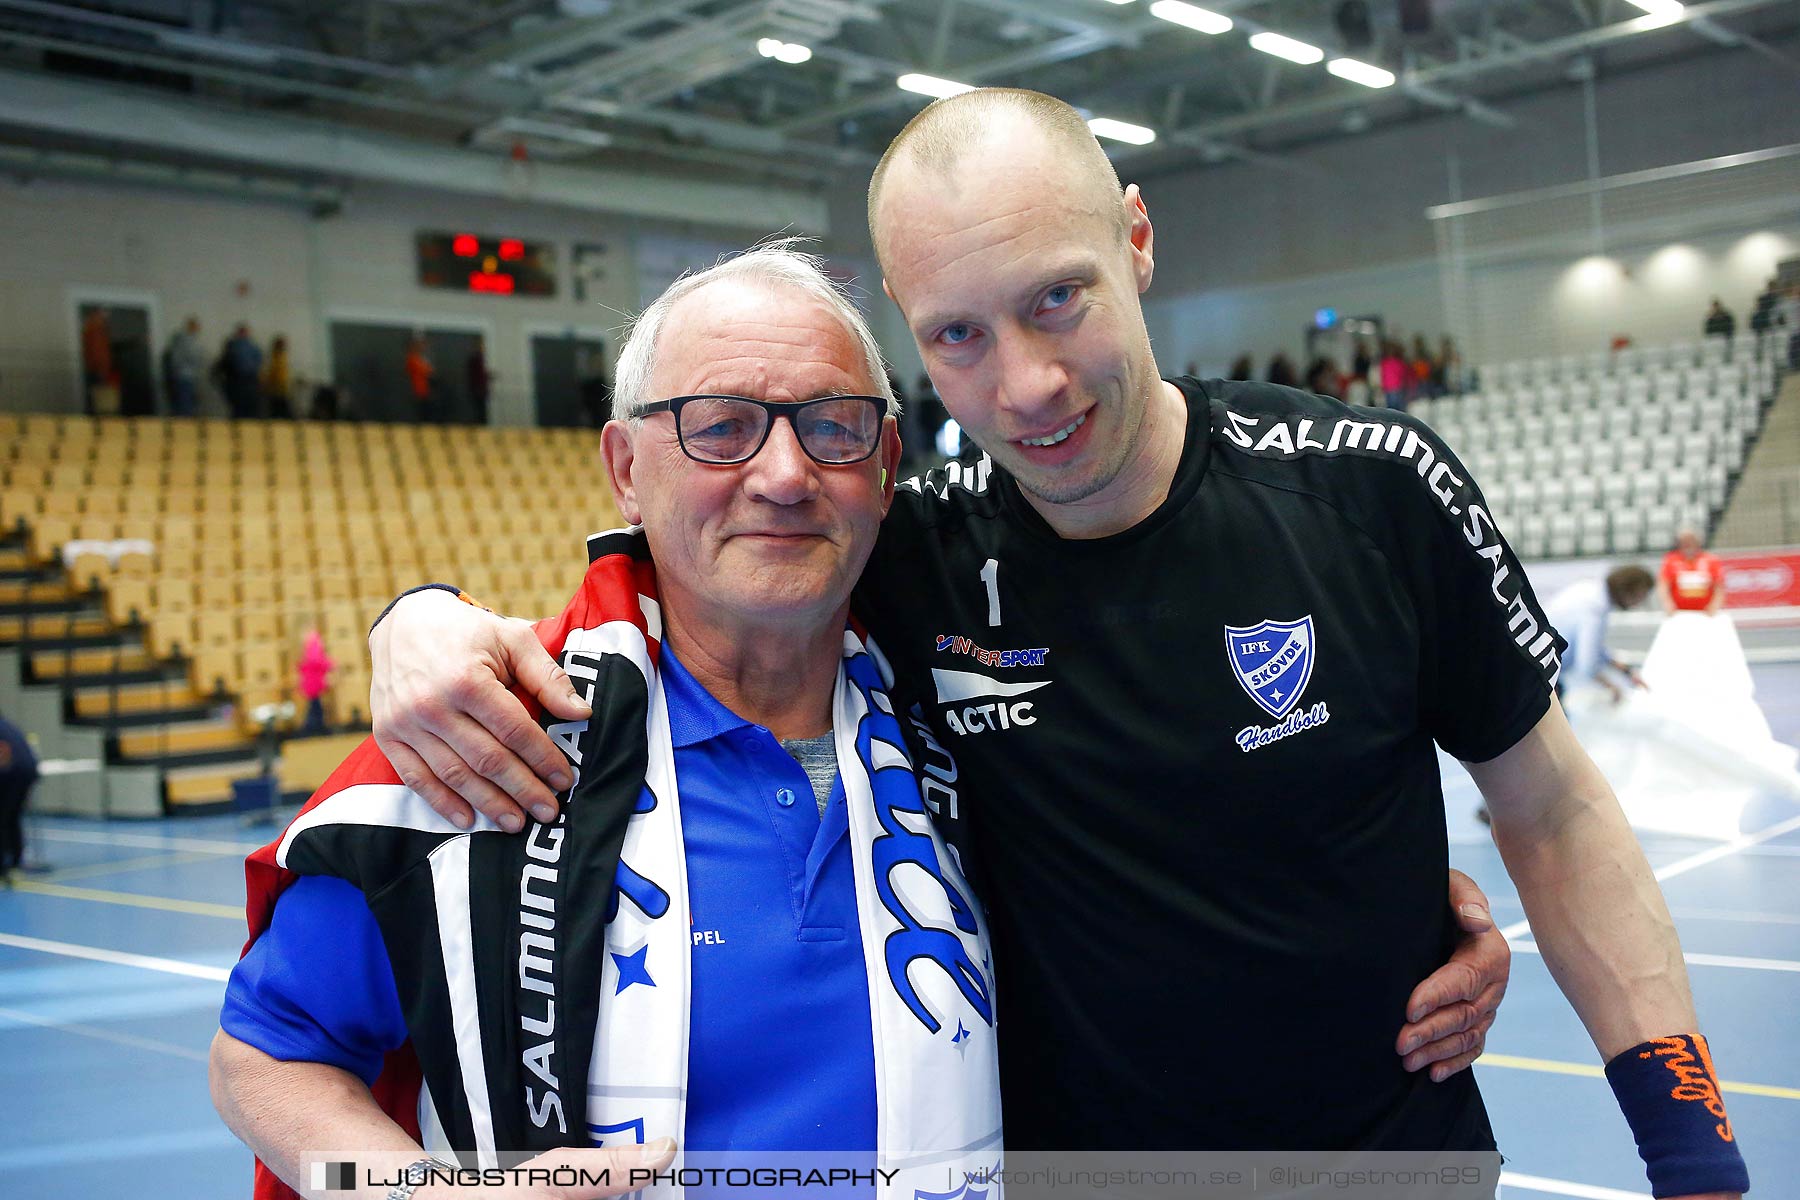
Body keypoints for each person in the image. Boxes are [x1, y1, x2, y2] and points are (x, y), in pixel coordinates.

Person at [367, 91, 1747, 1197]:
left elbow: (1554, 807)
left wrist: (1692, 1155)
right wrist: (413, 622)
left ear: (1138, 240)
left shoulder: (1370, 486)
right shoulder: (900, 560)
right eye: (958, 335)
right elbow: (665, 591)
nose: (1022, 386)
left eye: (1057, 301)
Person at [210, 247, 1002, 1199]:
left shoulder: (980, 726)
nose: (786, 474)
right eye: (722, 428)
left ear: (882, 467)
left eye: (834, 427)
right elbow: (265, 1055)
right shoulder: (486, 746)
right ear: (627, 469)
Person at [1544, 566, 1653, 705]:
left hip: (1544, 667)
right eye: (1641, 596)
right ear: (1631, 590)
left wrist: (1628, 672)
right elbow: (1587, 666)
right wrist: (1613, 688)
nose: (1638, 603)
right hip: (1543, 674)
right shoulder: (1594, 608)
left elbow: (1597, 651)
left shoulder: (1592, 591)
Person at [0, 709, 38, 884]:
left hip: (13, 774)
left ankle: (4, 867)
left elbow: (4, 754)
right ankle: (15, 862)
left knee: (3, 819)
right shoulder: (9, 725)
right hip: (28, 773)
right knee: (12, 818)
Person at [1659, 528, 1724, 616]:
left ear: (1698, 541)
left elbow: (1719, 587)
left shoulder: (1711, 560)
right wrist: (1667, 603)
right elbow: (1663, 585)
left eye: (1691, 540)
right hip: (1679, 614)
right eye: (1684, 541)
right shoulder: (1671, 560)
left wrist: (1715, 605)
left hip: (1705, 614)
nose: (1687, 544)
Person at [220, 323, 264, 419]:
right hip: (247, 381)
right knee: (247, 409)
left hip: (237, 382)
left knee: (238, 408)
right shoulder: (252, 348)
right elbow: (258, 362)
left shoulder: (232, 347)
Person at [295, 627, 334, 736]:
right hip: (314, 682)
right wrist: (330, 664)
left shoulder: (308, 647)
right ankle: (313, 729)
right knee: (315, 707)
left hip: (312, 682)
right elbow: (317, 661)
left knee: (315, 706)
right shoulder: (314, 646)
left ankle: (314, 728)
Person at [163, 317, 204, 417]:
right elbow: (185, 358)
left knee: (187, 404)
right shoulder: (184, 340)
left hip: (186, 376)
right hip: (184, 376)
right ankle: (184, 428)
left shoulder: (185, 340)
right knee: (184, 406)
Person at [404, 335, 434, 423]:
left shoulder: (420, 359)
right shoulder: (412, 359)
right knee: (418, 416)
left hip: (424, 393)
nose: (422, 348)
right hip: (417, 393)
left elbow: (430, 371)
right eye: (419, 345)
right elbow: (427, 371)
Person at [262, 334, 292, 419]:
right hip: (277, 390)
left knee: (278, 412)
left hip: (280, 389)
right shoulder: (276, 357)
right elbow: (274, 373)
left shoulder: (280, 357)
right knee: (280, 412)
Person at [466, 341, 493, 426]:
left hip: (479, 388)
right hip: (478, 388)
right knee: (479, 408)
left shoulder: (478, 359)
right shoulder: (476, 359)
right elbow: (478, 374)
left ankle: (481, 422)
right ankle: (480, 423)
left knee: (480, 408)